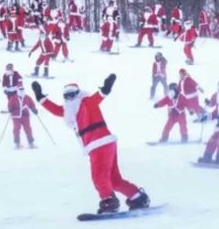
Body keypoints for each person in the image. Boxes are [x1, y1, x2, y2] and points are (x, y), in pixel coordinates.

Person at [31, 74, 150, 214]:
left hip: (99, 143)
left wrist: (106, 88)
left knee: (98, 177)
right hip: (103, 144)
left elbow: (97, 98)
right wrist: (40, 97)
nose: (69, 98)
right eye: (66, 96)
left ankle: (109, 201)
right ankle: (137, 197)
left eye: (71, 94)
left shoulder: (86, 102)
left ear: (78, 93)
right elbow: (56, 110)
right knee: (113, 180)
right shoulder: (70, 109)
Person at [8, 83, 38, 149]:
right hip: (16, 116)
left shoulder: (27, 97)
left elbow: (31, 104)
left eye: (23, 89)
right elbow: (10, 105)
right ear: (17, 90)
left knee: (28, 129)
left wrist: (34, 109)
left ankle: (31, 143)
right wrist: (10, 109)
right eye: (20, 89)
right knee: (16, 129)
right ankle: (17, 143)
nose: (21, 90)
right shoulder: (13, 98)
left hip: (25, 115)